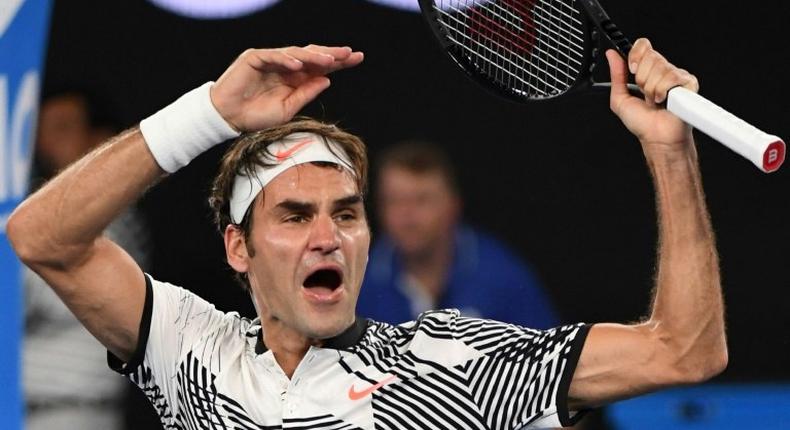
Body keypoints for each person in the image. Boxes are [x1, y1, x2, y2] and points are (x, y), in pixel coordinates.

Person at [7, 40, 727, 429]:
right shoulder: (193, 351)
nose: (330, 236)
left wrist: (669, 151)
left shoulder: (453, 365)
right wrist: (210, 114)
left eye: (346, 213)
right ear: (238, 249)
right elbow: (40, 236)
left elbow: (683, 353)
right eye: (295, 216)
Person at [23, 88, 149, 430]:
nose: (44, 145)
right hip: (29, 412)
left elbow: (27, 292)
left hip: (71, 414)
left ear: (103, 141)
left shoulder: (110, 219)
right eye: (39, 131)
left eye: (62, 128)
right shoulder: (50, 218)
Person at [359, 141, 559, 327]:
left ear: (453, 206)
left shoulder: (503, 278)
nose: (406, 215)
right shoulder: (359, 280)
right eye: (394, 200)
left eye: (421, 200)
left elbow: (549, 357)